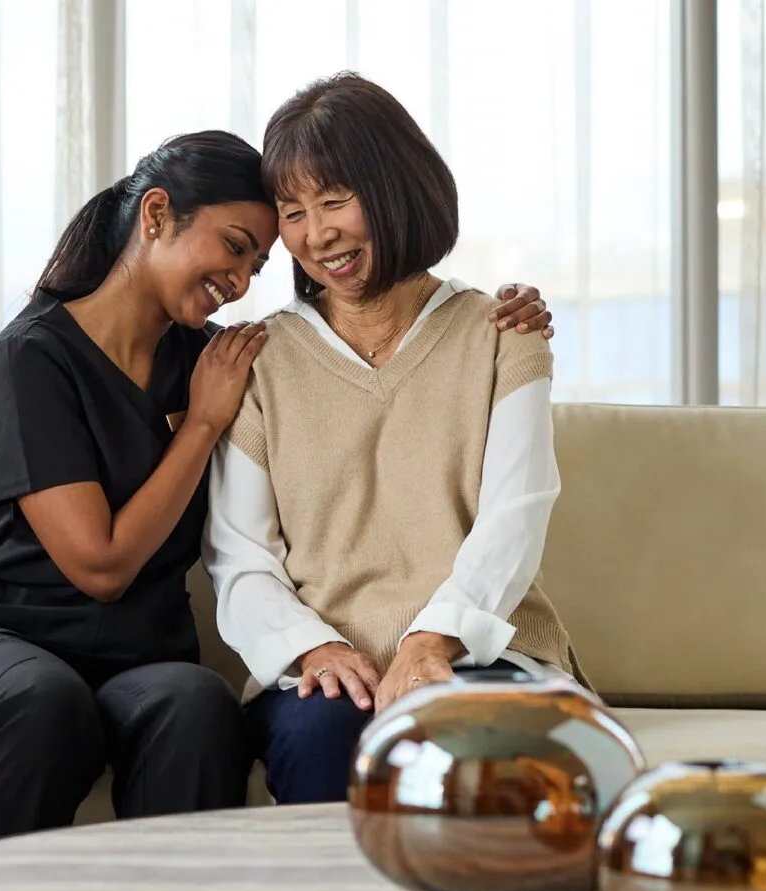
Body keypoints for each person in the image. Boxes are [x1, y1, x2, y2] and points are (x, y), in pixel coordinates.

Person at [0, 129, 555, 844]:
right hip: (2, 641)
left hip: (134, 658)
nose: (241, 280)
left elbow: (363, 349)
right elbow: (101, 565)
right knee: (45, 703)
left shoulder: (217, 356)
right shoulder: (32, 361)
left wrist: (510, 309)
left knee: (197, 703)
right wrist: (202, 423)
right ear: (154, 215)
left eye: (258, 262)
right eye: (235, 246)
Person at [203, 73, 589, 806]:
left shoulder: (502, 333)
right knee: (317, 736)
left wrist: (431, 639)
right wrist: (312, 645)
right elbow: (238, 553)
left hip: (485, 650)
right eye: (293, 211)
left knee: (465, 733)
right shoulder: (261, 360)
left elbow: (517, 511)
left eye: (335, 200)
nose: (317, 234)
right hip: (319, 663)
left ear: (394, 189)